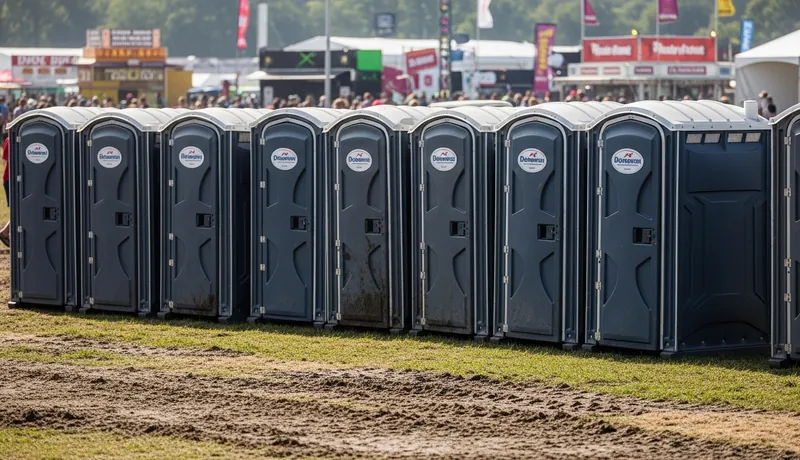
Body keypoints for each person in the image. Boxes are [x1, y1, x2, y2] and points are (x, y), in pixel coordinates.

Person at [0, 135, 10, 247]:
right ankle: (5, 232)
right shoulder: (11, 139)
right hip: (12, 179)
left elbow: (5, 158)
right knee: (21, 210)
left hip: (8, 178)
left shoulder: (8, 139)